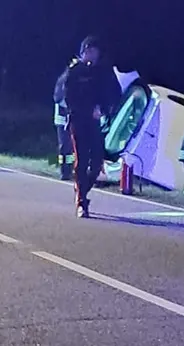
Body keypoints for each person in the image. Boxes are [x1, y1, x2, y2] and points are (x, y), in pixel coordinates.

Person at [62, 35, 122, 218]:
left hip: (96, 123)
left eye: (94, 51)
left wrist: (103, 110)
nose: (91, 54)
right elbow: (68, 96)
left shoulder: (104, 72)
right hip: (78, 120)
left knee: (97, 163)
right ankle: (81, 202)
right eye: (87, 51)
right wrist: (86, 109)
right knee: (81, 161)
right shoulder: (74, 72)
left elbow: (115, 94)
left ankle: (81, 189)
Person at [53, 72, 74, 181]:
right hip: (62, 119)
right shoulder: (63, 81)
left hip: (72, 119)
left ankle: (70, 170)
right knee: (64, 146)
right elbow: (58, 98)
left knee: (71, 146)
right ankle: (64, 171)